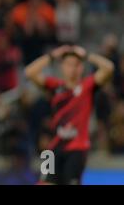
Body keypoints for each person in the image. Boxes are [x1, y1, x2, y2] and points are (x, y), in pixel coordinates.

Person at [25, 45, 114, 185]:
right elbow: (29, 72)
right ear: (62, 67)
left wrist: (87, 55)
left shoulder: (87, 86)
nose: (72, 69)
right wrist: (52, 55)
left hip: (77, 149)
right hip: (52, 149)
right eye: (69, 64)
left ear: (82, 67)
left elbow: (108, 68)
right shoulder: (54, 86)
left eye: (77, 64)